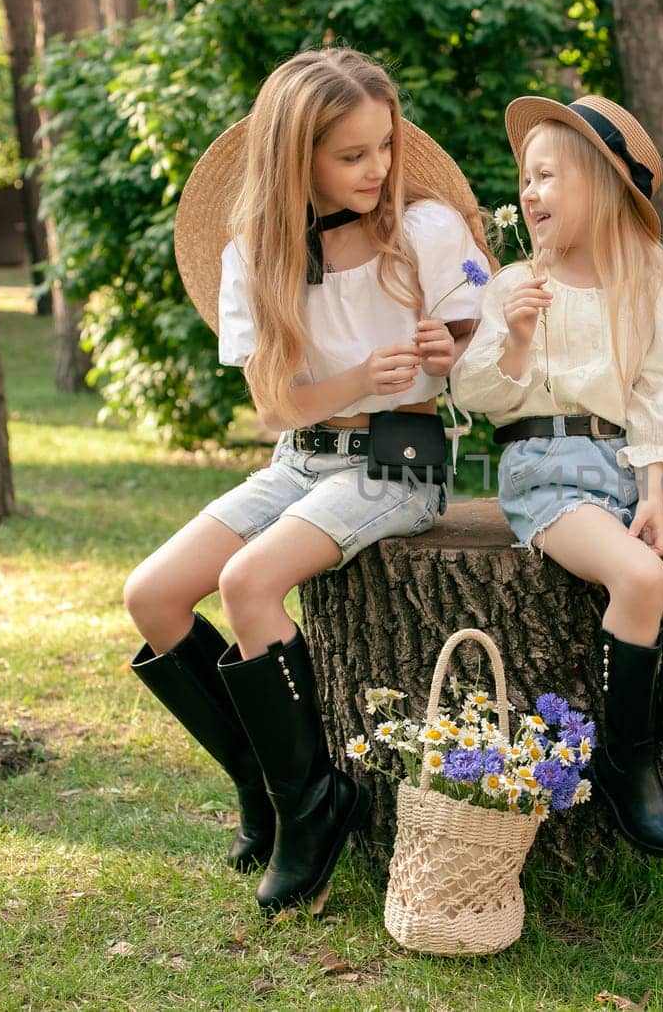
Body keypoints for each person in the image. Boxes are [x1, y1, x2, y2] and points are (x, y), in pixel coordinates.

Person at [122, 47, 490, 912]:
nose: (378, 169)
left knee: (249, 581)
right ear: (300, 159)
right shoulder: (257, 253)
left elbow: (493, 357)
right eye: (352, 155)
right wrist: (363, 373)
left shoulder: (428, 230)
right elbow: (276, 407)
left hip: (405, 459)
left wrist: (454, 348)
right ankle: (275, 785)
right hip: (302, 459)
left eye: (385, 146)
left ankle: (308, 808)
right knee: (153, 595)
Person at [451, 95, 663, 859]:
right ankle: (626, 758)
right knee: (642, 578)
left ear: (602, 186)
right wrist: (513, 335)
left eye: (547, 175)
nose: (529, 191)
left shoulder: (648, 280)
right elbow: (477, 395)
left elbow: (659, 391)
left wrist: (653, 486)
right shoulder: (515, 284)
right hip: (546, 469)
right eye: (526, 178)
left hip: (630, 461)